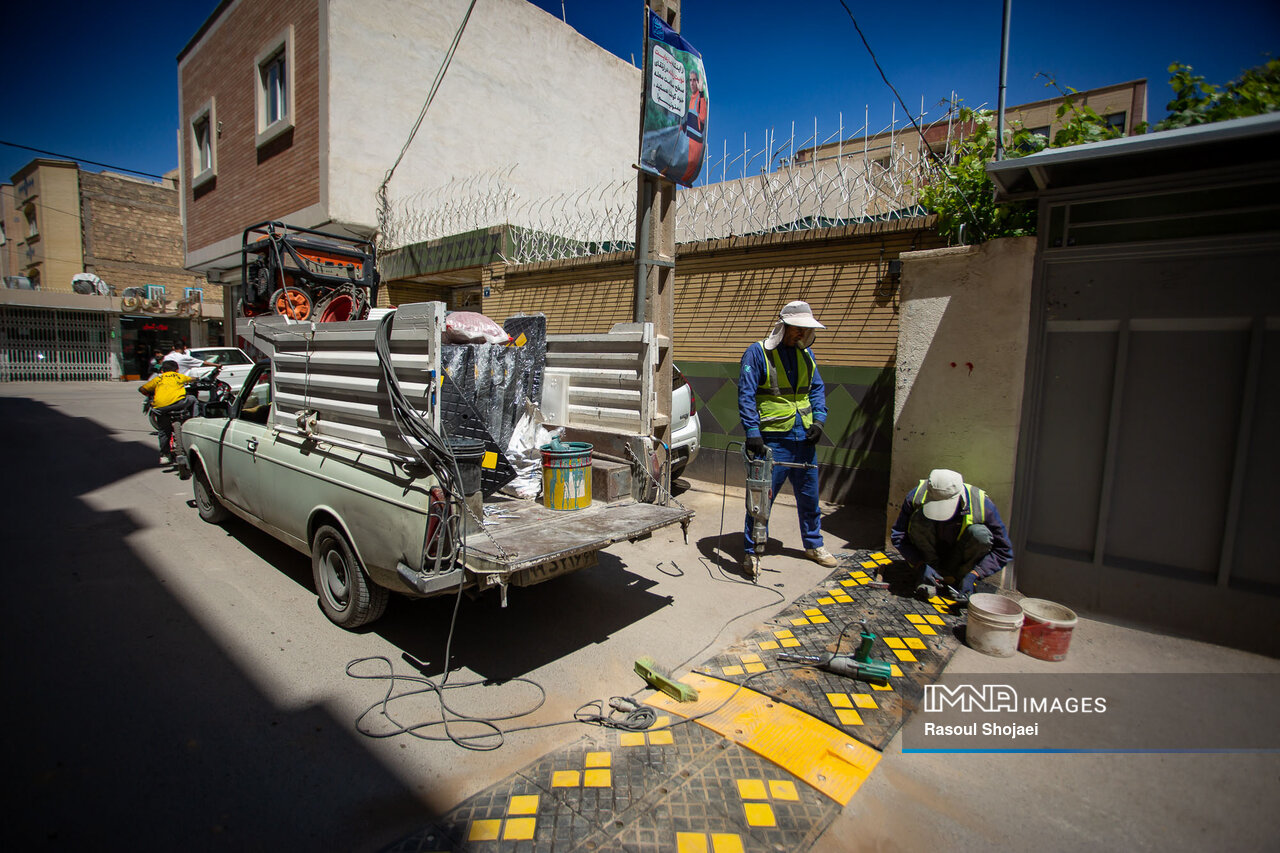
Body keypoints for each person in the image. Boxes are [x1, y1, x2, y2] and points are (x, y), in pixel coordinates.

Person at [738, 300, 838, 576]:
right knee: (761, 499)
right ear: (784, 327)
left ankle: (813, 544)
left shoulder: (808, 355)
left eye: (805, 331)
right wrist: (753, 432)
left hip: (803, 438)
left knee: (809, 497)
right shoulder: (757, 354)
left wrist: (818, 421)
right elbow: (745, 394)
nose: (801, 335)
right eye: (797, 329)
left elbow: (817, 390)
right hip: (772, 441)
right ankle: (753, 551)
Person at [889, 468, 1014, 601]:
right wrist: (920, 564)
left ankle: (960, 580)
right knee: (919, 519)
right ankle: (930, 576)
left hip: (959, 560)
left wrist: (974, 574)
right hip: (929, 559)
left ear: (959, 496)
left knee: (980, 534)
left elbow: (1003, 550)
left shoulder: (982, 504)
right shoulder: (916, 495)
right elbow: (898, 535)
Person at [139, 360, 195, 465]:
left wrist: (150, 395)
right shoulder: (179, 376)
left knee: (164, 432)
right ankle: (195, 418)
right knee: (192, 399)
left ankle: (165, 455)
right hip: (179, 405)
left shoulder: (158, 378)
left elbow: (142, 389)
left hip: (161, 408)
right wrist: (197, 379)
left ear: (162, 370)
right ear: (177, 369)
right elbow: (192, 379)